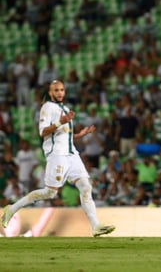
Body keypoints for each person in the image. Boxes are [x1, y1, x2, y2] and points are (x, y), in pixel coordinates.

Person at [1, 80, 115, 237]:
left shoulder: (66, 109)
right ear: (50, 93)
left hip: (71, 153)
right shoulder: (47, 108)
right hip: (57, 154)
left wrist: (80, 135)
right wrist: (60, 121)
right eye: (56, 90)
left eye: (62, 90)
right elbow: (43, 131)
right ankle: (12, 209)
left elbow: (64, 135)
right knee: (50, 193)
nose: (60, 92)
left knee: (85, 186)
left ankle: (95, 226)